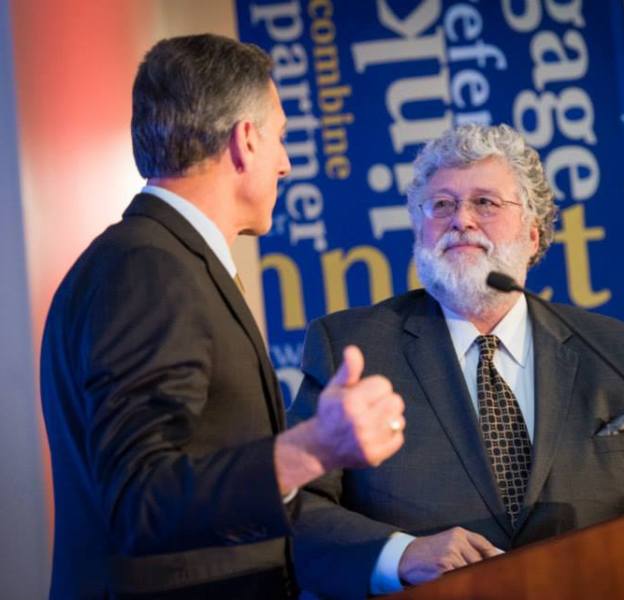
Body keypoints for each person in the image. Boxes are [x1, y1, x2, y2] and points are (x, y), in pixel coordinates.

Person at [40, 34, 405, 599]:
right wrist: (313, 448)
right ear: (245, 140)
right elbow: (140, 499)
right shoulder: (149, 268)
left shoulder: (158, 257)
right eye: (281, 138)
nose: (285, 164)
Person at [288, 124, 624, 598]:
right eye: (441, 205)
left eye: (485, 202)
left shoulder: (621, 354)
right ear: (419, 229)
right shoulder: (353, 348)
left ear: (533, 234)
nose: (461, 220)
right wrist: (400, 554)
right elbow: (297, 506)